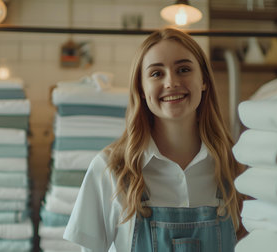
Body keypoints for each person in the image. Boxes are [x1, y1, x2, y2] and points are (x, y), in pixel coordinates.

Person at [63, 27, 246, 252]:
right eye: (157, 73)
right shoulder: (110, 168)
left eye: (183, 69)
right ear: (141, 88)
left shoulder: (236, 166)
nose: (171, 82)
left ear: (204, 80)